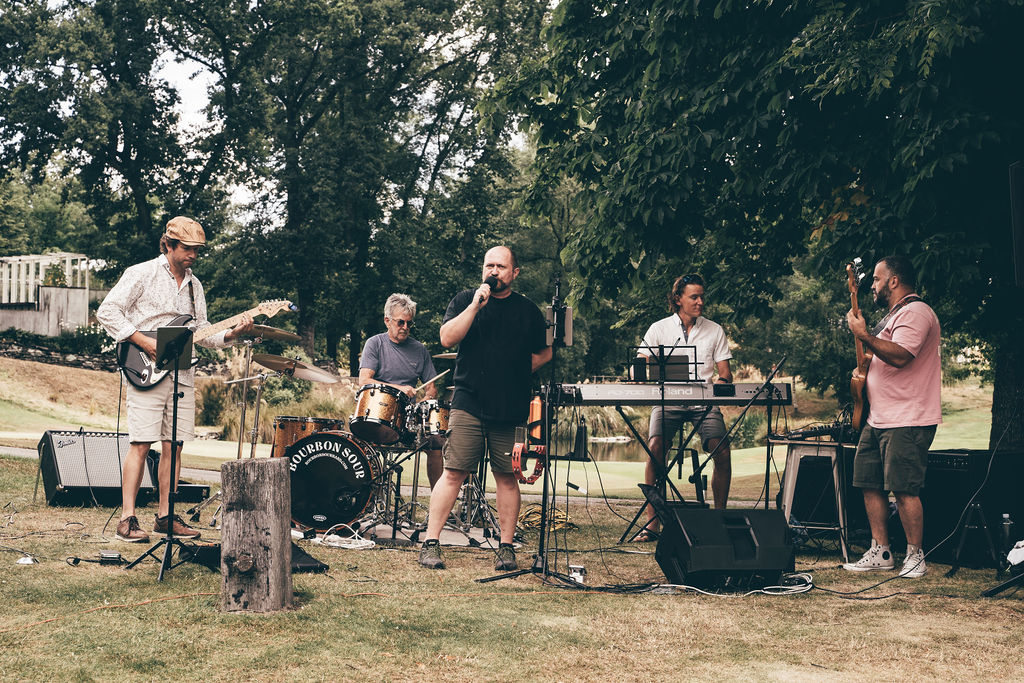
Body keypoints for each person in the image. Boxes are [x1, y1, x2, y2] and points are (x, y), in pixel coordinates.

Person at [97, 216, 253, 543]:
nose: (193, 255)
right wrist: (144, 342)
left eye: (197, 250)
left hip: (182, 370)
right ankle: (127, 520)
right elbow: (107, 311)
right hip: (144, 366)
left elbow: (202, 333)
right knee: (141, 442)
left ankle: (165, 517)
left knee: (175, 445)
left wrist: (232, 334)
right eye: (187, 248)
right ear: (168, 244)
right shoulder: (141, 273)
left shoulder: (195, 286)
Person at [418, 246, 552, 570]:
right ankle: (431, 543)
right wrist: (476, 307)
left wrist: (517, 372)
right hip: (469, 401)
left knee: (507, 478)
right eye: (489, 265)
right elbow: (447, 338)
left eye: (501, 266)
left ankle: (506, 548)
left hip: (511, 405)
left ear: (514, 273)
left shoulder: (528, 311)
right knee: (453, 472)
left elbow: (546, 353)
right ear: (482, 269)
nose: (494, 271)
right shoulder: (466, 300)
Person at [844, 255, 941, 578]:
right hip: (879, 417)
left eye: (876, 279)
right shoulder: (893, 316)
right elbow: (879, 358)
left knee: (903, 488)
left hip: (907, 417)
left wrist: (864, 336)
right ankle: (881, 550)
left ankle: (915, 555)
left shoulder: (917, 312)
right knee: (867, 482)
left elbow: (901, 356)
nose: (873, 284)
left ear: (894, 281)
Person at [636, 274, 733, 539]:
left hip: (704, 400)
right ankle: (652, 524)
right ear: (678, 299)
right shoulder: (658, 328)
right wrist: (647, 368)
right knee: (655, 448)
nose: (700, 302)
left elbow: (725, 372)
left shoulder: (715, 329)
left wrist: (722, 381)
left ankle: (720, 519)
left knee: (721, 451)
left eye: (702, 296)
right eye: (694, 297)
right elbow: (641, 363)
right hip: (668, 397)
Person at [358, 293, 444, 487]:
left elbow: (432, 389)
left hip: (408, 419)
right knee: (360, 441)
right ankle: (366, 498)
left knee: (436, 441)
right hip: (378, 414)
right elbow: (364, 381)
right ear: (387, 320)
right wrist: (399, 389)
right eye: (401, 322)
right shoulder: (375, 343)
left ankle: (438, 504)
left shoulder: (420, 350)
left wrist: (422, 404)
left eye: (409, 323)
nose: (405, 327)